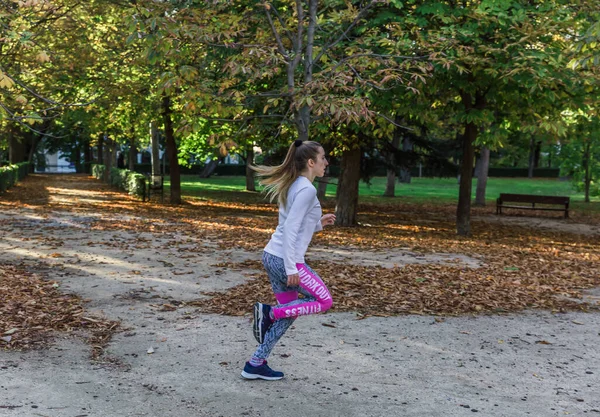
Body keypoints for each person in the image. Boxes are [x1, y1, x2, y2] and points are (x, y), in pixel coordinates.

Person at [241, 140, 336, 381]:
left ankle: (255, 363)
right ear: (311, 162)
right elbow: (291, 229)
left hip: (273, 255)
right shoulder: (307, 189)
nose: (326, 162)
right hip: (285, 259)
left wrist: (317, 224)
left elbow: (291, 225)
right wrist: (292, 267)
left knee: (290, 312)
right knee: (324, 301)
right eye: (323, 158)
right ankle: (270, 313)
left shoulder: (295, 184)